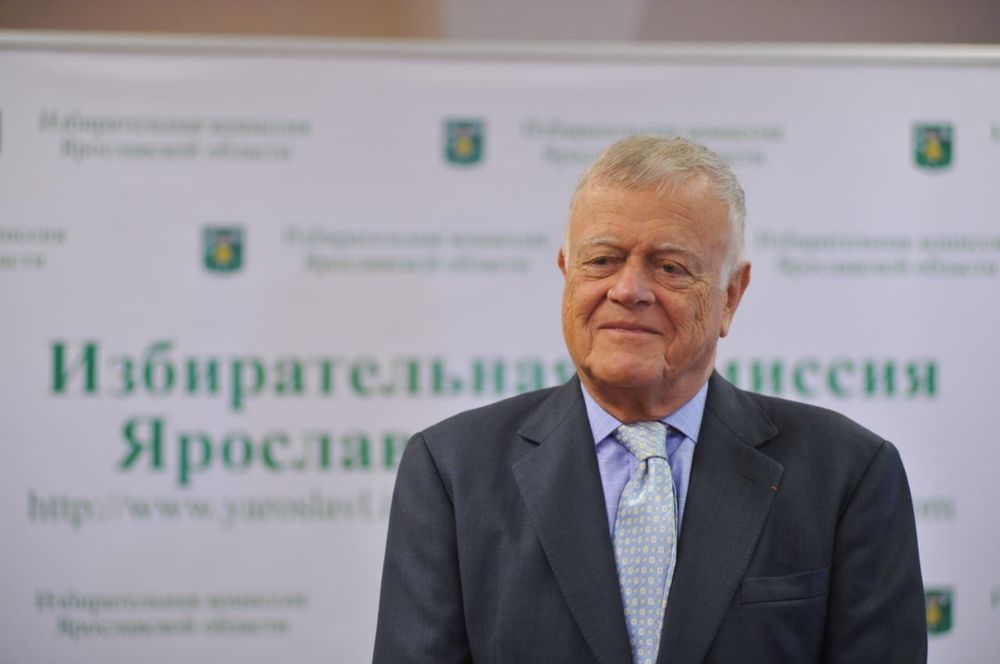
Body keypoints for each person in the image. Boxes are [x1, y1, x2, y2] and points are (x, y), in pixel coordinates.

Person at [373, 136, 926, 663]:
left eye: (670, 267)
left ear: (731, 295)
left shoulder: (848, 474)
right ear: (567, 273)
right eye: (602, 260)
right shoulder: (452, 470)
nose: (628, 290)